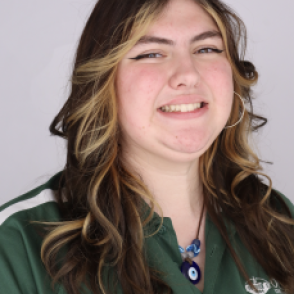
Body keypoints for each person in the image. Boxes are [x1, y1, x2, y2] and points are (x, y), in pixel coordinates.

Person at [0, 0, 293, 293]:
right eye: (151, 53)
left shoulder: (279, 220)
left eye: (207, 49)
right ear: (103, 83)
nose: (188, 74)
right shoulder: (19, 244)